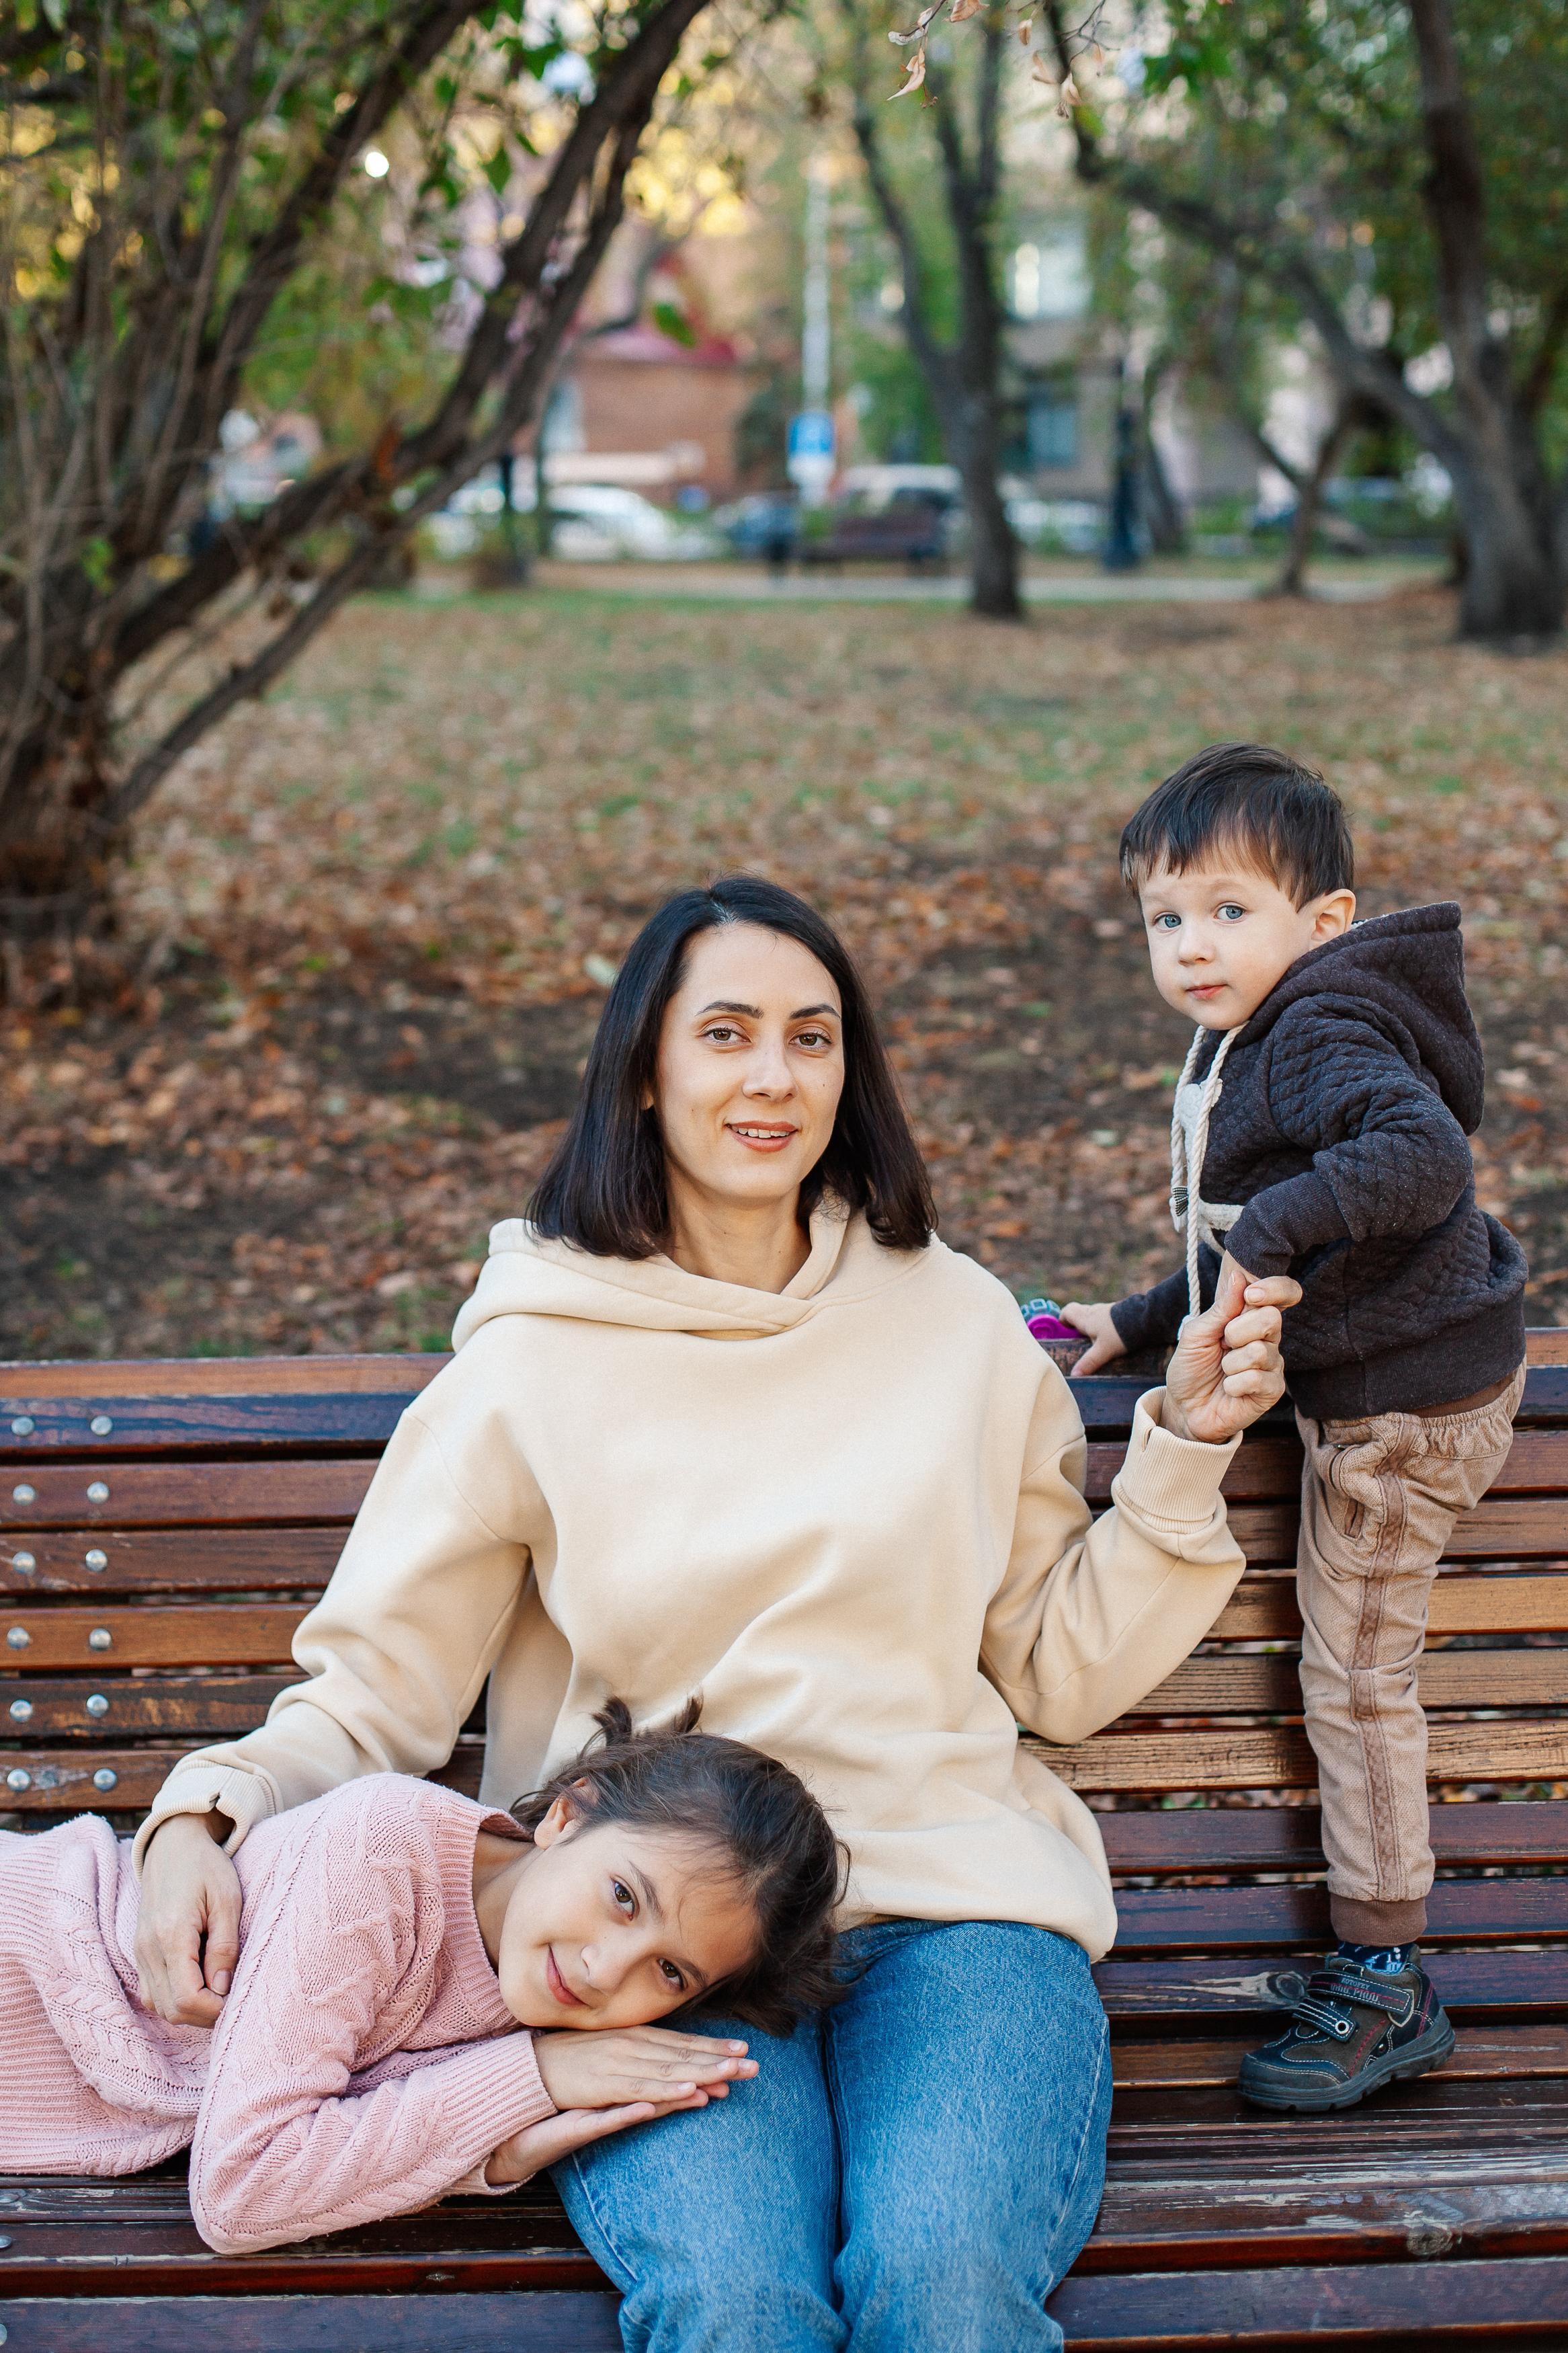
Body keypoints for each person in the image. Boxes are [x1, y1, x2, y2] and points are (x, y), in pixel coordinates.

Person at [132, 874, 1292, 2350]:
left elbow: (1054, 1674)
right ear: (645, 1070)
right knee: (736, 2303)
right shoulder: (528, 1366)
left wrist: (1181, 1453)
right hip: (658, 1954)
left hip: (954, 1917)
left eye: (811, 1039)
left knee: (937, 2288)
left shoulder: (955, 1329)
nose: (770, 1076)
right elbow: (373, 1701)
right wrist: (204, 1813)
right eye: (726, 1032)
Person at [1063, 744, 1528, 2115]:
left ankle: (1385, 1980)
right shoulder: (1256, 1032)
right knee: (1343, 1664)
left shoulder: (1315, 1031)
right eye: (1163, 917)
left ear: (1321, 922)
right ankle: (1376, 1965)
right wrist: (1139, 1315)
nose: (1189, 946)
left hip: (1401, 1412)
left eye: (1225, 910)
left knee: (1356, 1674)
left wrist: (1271, 1237)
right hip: (1383, 1369)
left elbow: (1416, 1156)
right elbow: (1234, 1227)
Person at [0, 1701, 841, 2255]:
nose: (603, 1968)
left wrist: (500, 2147)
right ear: (566, 1814)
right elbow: (244, 2186)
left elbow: (361, 2128)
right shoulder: (382, 1854)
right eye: (623, 1896)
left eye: (669, 1969)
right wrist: (530, 2079)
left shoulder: (538, 1985)